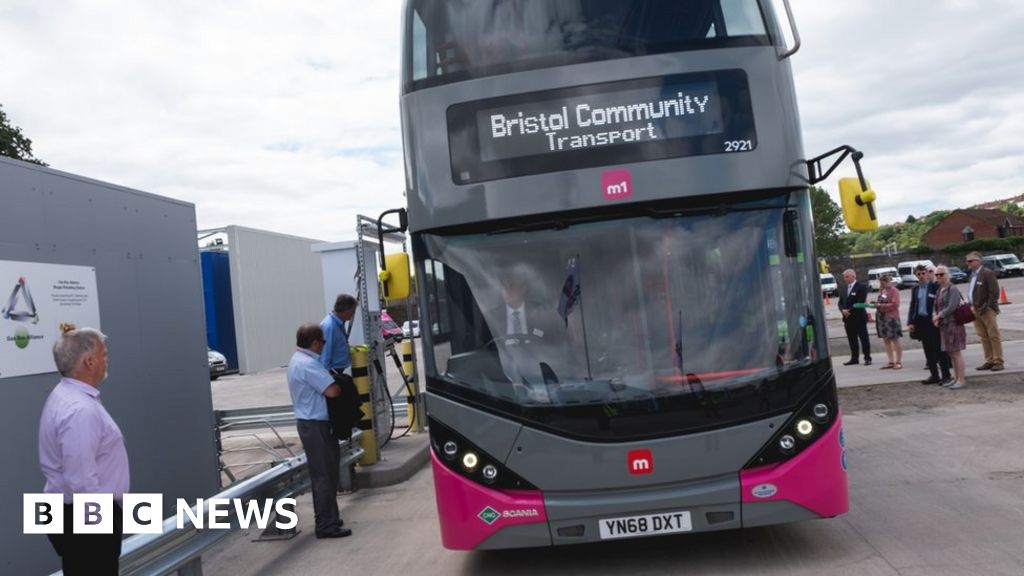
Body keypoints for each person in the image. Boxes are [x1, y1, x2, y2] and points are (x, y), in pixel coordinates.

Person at [38, 326, 129, 575]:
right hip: (87, 519)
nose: (107, 360)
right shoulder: (79, 410)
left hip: (75, 516)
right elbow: (82, 481)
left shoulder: (65, 395)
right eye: (104, 354)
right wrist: (101, 532)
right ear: (90, 362)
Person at [287, 324, 352, 538]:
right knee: (325, 475)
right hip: (316, 425)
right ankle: (325, 525)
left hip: (309, 423)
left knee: (325, 473)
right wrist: (340, 384)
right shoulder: (309, 365)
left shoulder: (296, 360)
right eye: (323, 342)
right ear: (315, 343)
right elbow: (332, 391)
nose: (324, 346)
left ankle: (330, 517)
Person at [320, 294, 362, 440]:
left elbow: (336, 345)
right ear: (346, 309)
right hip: (332, 373)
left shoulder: (337, 323)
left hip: (336, 371)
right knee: (340, 407)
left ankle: (343, 434)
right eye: (352, 311)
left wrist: (348, 348)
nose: (352, 314)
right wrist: (327, 377)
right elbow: (325, 354)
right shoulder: (330, 326)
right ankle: (339, 435)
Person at [907, 264, 952, 385]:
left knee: (939, 349)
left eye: (923, 273)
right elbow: (913, 305)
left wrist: (939, 316)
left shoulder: (935, 286)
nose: (921, 276)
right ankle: (934, 375)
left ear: (927, 274)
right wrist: (910, 322)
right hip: (921, 322)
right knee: (928, 350)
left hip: (933, 321)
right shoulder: (915, 289)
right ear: (916, 276)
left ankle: (946, 375)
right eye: (918, 274)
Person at [965, 251, 1003, 371]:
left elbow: (994, 292)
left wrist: (988, 307)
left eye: (970, 261)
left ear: (979, 261)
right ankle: (989, 360)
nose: (967, 263)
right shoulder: (972, 275)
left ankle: (998, 361)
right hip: (975, 309)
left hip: (986, 310)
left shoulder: (987, 273)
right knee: (983, 336)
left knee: (993, 335)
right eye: (967, 261)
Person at [932, 265, 967, 389]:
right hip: (944, 325)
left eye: (941, 274)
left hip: (954, 324)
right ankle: (956, 378)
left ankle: (961, 379)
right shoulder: (939, 290)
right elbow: (936, 306)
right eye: (937, 275)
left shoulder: (953, 289)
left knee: (956, 353)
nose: (939, 277)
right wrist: (935, 316)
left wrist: (939, 316)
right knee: (951, 353)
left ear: (948, 275)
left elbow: (952, 306)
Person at [837, 269, 872, 365]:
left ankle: (867, 358)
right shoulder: (844, 288)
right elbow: (840, 302)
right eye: (844, 277)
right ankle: (854, 358)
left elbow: (860, 301)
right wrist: (842, 310)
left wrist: (849, 310)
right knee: (852, 339)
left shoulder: (861, 287)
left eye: (846, 277)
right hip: (847, 318)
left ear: (853, 276)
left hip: (859, 317)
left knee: (863, 338)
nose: (845, 279)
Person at [872, 274, 903, 369]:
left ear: (889, 281)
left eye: (883, 283)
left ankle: (898, 361)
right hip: (882, 317)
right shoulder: (882, 290)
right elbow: (880, 301)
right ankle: (891, 361)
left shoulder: (894, 291)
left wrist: (881, 306)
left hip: (891, 318)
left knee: (895, 339)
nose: (882, 285)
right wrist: (876, 304)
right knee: (886, 339)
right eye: (881, 283)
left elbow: (895, 304)